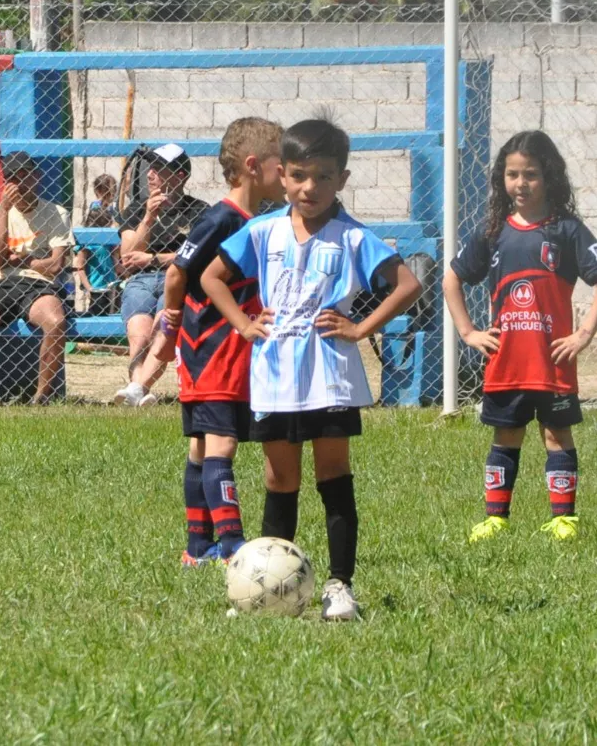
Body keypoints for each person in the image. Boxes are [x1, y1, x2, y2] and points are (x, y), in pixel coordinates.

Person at [201, 118, 422, 621]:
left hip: (330, 376)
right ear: (281, 175)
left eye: (323, 177)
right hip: (276, 376)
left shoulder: (353, 236)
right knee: (279, 477)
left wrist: (360, 328)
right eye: (299, 175)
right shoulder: (263, 230)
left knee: (333, 474)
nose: (310, 187)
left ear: (342, 179)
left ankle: (340, 586)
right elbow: (212, 277)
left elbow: (408, 284)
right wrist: (243, 324)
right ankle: (268, 589)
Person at [444, 130, 597, 545]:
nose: (520, 183)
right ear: (501, 179)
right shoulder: (493, 232)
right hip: (506, 362)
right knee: (506, 436)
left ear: (549, 176)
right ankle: (495, 519)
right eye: (512, 175)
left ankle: (564, 520)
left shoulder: (566, 230)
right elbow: (452, 278)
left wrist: (584, 333)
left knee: (557, 436)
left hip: (552, 361)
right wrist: (468, 332)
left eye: (531, 174)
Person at [163, 118, 285, 566]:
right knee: (221, 445)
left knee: (200, 446)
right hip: (209, 349)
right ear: (253, 166)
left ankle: (197, 547)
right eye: (281, 164)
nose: (286, 173)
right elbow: (176, 272)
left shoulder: (261, 221)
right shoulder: (220, 219)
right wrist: (171, 324)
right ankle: (233, 546)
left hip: (232, 352)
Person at [0, 154, 73, 405]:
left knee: (56, 321)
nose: (21, 183)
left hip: (39, 284)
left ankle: (42, 396)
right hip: (2, 284)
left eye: (26, 176)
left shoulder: (56, 212)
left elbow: (55, 265)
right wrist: (4, 209)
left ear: (37, 177)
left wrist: (20, 260)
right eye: (13, 178)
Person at [113, 143, 207, 407]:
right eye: (150, 168)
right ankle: (138, 390)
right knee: (140, 333)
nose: (150, 174)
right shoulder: (137, 209)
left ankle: (137, 388)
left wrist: (154, 258)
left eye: (158, 168)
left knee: (162, 327)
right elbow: (128, 255)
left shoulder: (199, 211)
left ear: (179, 176)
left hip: (177, 279)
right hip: (141, 279)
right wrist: (148, 218)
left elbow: (199, 255)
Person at [73, 173, 120, 316]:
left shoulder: (112, 208)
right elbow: (80, 266)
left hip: (110, 284)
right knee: (98, 311)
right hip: (97, 287)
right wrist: (89, 287)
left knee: (113, 311)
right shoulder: (98, 207)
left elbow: (116, 260)